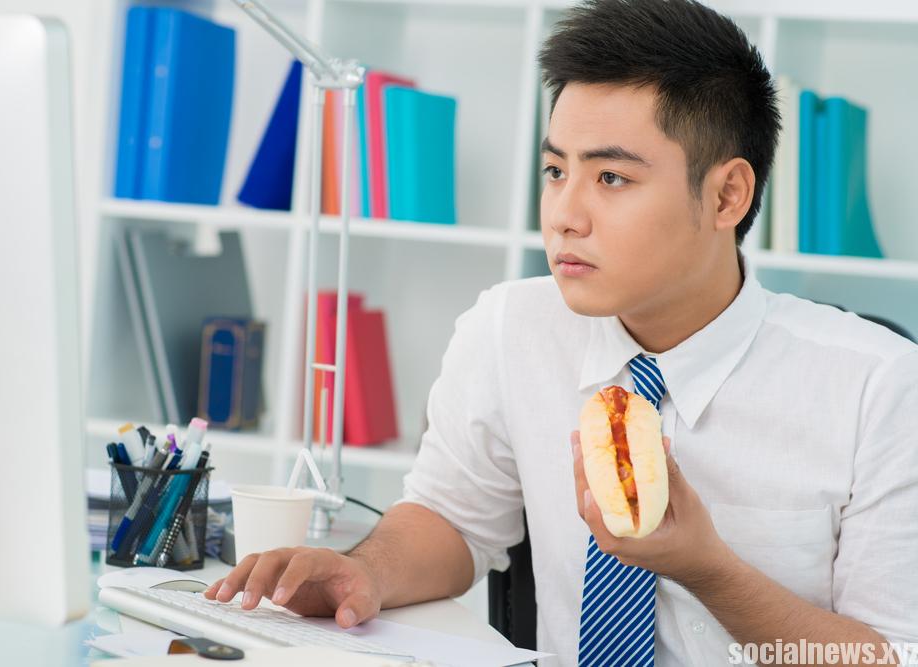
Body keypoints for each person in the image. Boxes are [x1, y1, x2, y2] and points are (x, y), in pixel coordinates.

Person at [206, 0, 918, 664]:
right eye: (555, 170)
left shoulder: (878, 387)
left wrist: (707, 567)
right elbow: (453, 520)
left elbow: (890, 655)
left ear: (728, 194)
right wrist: (364, 569)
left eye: (611, 178)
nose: (563, 214)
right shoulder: (509, 325)